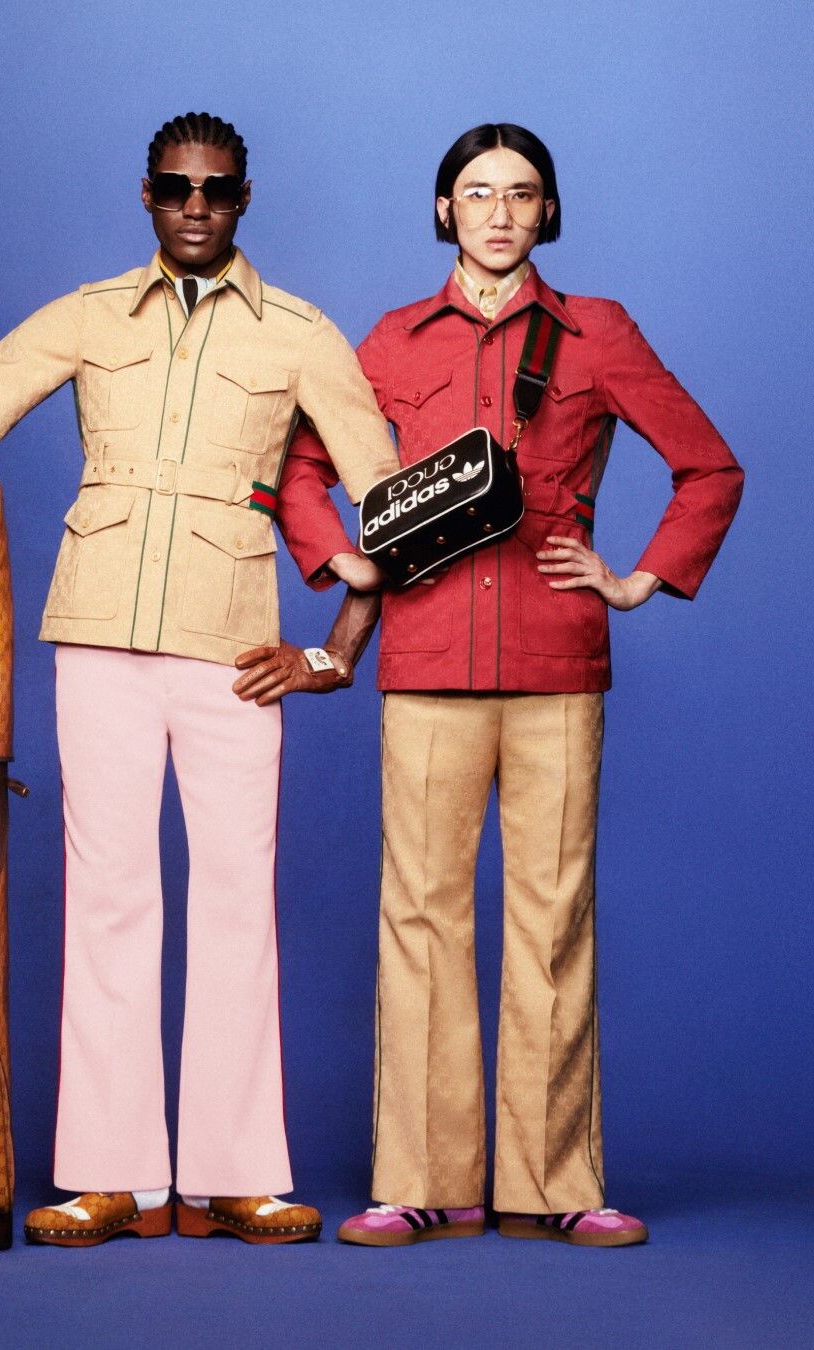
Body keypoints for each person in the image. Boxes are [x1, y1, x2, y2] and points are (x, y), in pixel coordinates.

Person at [0, 111, 398, 1246]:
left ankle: (236, 1176)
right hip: (96, 639)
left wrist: (337, 650)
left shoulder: (301, 333)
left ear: (244, 199)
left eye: (217, 190)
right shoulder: (89, 315)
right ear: (147, 193)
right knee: (107, 899)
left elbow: (389, 502)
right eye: (176, 187)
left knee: (236, 898)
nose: (196, 207)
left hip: (234, 652)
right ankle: (113, 1177)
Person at [244, 122, 743, 1247]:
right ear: (445, 211)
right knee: (419, 918)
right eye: (477, 193)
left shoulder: (598, 332)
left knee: (552, 920)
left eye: (522, 194)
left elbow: (709, 466)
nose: (500, 213)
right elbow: (299, 470)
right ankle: (421, 1181)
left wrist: (638, 579)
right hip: (424, 661)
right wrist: (340, 559)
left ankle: (554, 1184)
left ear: (548, 211)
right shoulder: (391, 339)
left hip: (557, 661)